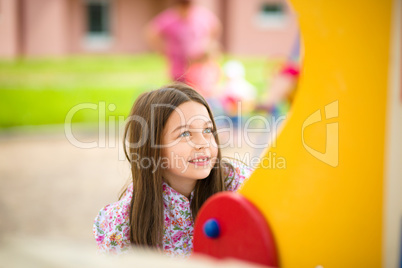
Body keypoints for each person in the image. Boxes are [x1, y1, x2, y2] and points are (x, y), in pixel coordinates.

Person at [93, 83, 253, 257]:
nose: (203, 143)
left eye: (208, 130)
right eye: (185, 134)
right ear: (152, 147)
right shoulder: (122, 222)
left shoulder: (241, 185)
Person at [145, 0, 222, 97]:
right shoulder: (169, 17)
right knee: (179, 94)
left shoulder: (201, 15)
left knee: (200, 92)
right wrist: (162, 50)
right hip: (178, 66)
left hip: (197, 66)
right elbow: (152, 32)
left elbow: (216, 27)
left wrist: (209, 45)